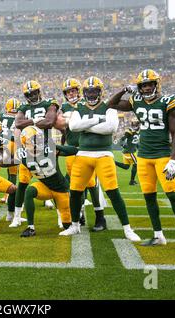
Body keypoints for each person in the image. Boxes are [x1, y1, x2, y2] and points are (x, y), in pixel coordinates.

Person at [107, 69, 175, 251]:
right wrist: (124, 89)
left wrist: (173, 160)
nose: (146, 88)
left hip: (162, 155)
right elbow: (111, 103)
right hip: (144, 157)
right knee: (149, 197)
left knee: (172, 195)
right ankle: (158, 235)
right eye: (143, 85)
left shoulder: (167, 102)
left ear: (156, 84)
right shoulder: (136, 100)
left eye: (149, 84)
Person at [56, 76, 141, 240]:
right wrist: (97, 120)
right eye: (88, 91)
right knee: (74, 192)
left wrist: (86, 125)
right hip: (83, 154)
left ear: (100, 91)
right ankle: (74, 226)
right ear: (84, 92)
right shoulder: (80, 107)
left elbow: (111, 127)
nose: (91, 94)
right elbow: (73, 126)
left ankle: (127, 229)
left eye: (95, 91)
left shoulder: (108, 105)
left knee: (113, 192)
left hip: (103, 154)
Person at [60, 78, 107, 231]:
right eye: (68, 92)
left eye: (73, 90)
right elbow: (64, 130)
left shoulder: (87, 104)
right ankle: (79, 214)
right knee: (75, 185)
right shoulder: (64, 107)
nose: (71, 93)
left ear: (80, 91)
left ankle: (100, 217)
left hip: (87, 148)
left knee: (92, 184)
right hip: (72, 149)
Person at [13, 80, 59, 224]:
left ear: (39, 91)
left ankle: (61, 216)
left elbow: (50, 121)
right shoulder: (24, 106)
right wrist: (34, 120)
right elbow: (18, 123)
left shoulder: (49, 103)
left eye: (34, 92)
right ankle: (16, 217)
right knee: (22, 183)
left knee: (54, 183)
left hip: (45, 148)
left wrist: (32, 122)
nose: (32, 96)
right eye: (29, 94)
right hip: (28, 150)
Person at [17, 126, 73, 237]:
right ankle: (31, 228)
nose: (38, 140)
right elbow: (6, 162)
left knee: (68, 226)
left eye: (39, 137)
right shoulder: (23, 154)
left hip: (61, 190)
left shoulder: (50, 149)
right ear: (26, 142)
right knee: (29, 191)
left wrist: (56, 147)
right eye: (34, 139)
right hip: (45, 187)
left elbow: (73, 151)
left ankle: (78, 214)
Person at [115, 119, 140, 185]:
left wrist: (138, 147)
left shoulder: (138, 131)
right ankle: (132, 181)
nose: (135, 125)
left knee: (126, 166)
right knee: (136, 164)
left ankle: (113, 162)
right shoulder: (130, 130)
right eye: (134, 123)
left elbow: (135, 142)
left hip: (130, 151)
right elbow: (122, 139)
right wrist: (122, 144)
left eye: (136, 123)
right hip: (130, 151)